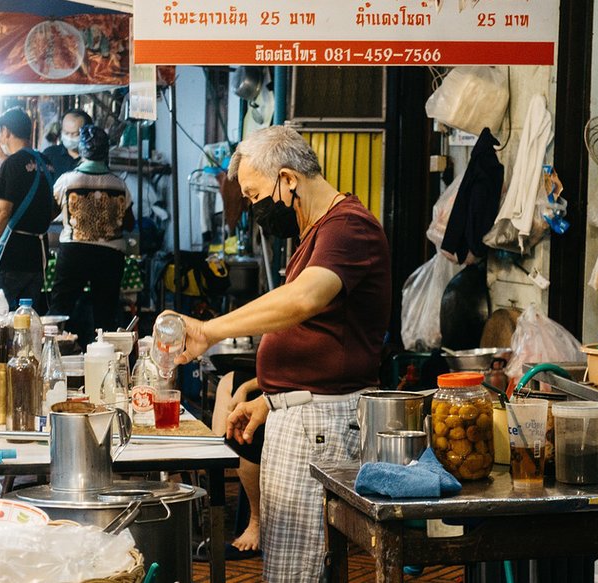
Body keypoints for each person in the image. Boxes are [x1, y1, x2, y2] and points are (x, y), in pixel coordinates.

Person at [166, 126, 391, 582]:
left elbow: (303, 301)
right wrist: (269, 400)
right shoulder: (316, 231)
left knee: (296, 572)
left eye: (253, 195)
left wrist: (208, 331)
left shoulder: (348, 227)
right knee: (289, 563)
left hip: (321, 426)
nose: (251, 208)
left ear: (288, 180)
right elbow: (320, 336)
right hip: (304, 417)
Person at [49, 125, 133, 342]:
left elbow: (50, 213)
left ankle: (53, 350)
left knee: (60, 309)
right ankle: (105, 358)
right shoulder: (119, 184)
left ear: (82, 151)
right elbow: (129, 222)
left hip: (74, 251)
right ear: (106, 153)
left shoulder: (67, 181)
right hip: (110, 256)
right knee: (105, 314)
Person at [0, 108, 59, 311]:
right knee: (26, 319)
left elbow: (2, 212)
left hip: (13, 256)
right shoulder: (46, 163)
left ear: (6, 131)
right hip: (38, 257)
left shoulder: (12, 164)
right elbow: (54, 209)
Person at [206, 370, 263, 558]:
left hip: (301, 383)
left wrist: (246, 387)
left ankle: (257, 519)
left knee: (239, 388)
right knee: (228, 380)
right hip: (282, 372)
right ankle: (218, 454)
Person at [42, 109, 92, 177]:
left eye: (75, 134)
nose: (69, 137)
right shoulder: (49, 155)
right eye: (66, 133)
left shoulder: (94, 159)